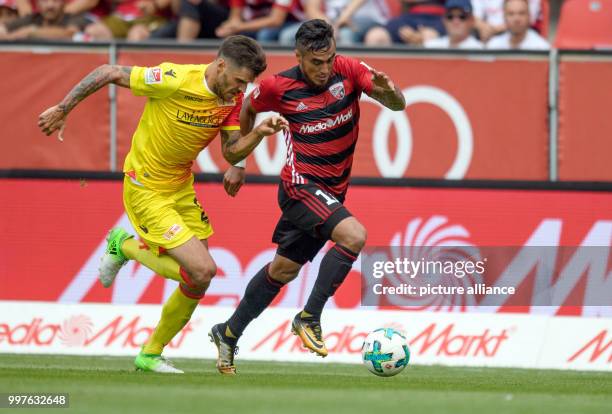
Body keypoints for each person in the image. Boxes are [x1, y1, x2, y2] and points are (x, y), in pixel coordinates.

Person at [37, 36, 288, 373]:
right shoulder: (173, 79)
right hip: (146, 187)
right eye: (239, 80)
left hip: (181, 188)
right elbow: (108, 71)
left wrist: (257, 134)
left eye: (247, 84)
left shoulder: (232, 97)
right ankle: (124, 246)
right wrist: (63, 108)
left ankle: (150, 354)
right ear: (221, 65)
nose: (240, 89)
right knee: (203, 270)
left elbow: (230, 152)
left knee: (196, 280)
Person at [208, 19, 406, 375]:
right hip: (300, 187)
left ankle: (228, 332)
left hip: (331, 192)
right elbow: (248, 108)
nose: (325, 68)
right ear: (298, 56)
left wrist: (390, 92)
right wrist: (238, 162)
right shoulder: (278, 87)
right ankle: (310, 317)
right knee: (354, 235)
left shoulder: (350, 70)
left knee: (282, 270)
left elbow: (397, 105)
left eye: (329, 59)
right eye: (316, 62)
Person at [0, 0, 88, 39]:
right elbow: (2, 30)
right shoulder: (32, 18)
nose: (50, 5)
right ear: (37, 4)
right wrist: (7, 36)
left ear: (63, 3)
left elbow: (69, 33)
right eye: (45, 0)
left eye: (55, 0)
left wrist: (31, 31)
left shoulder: (74, 18)